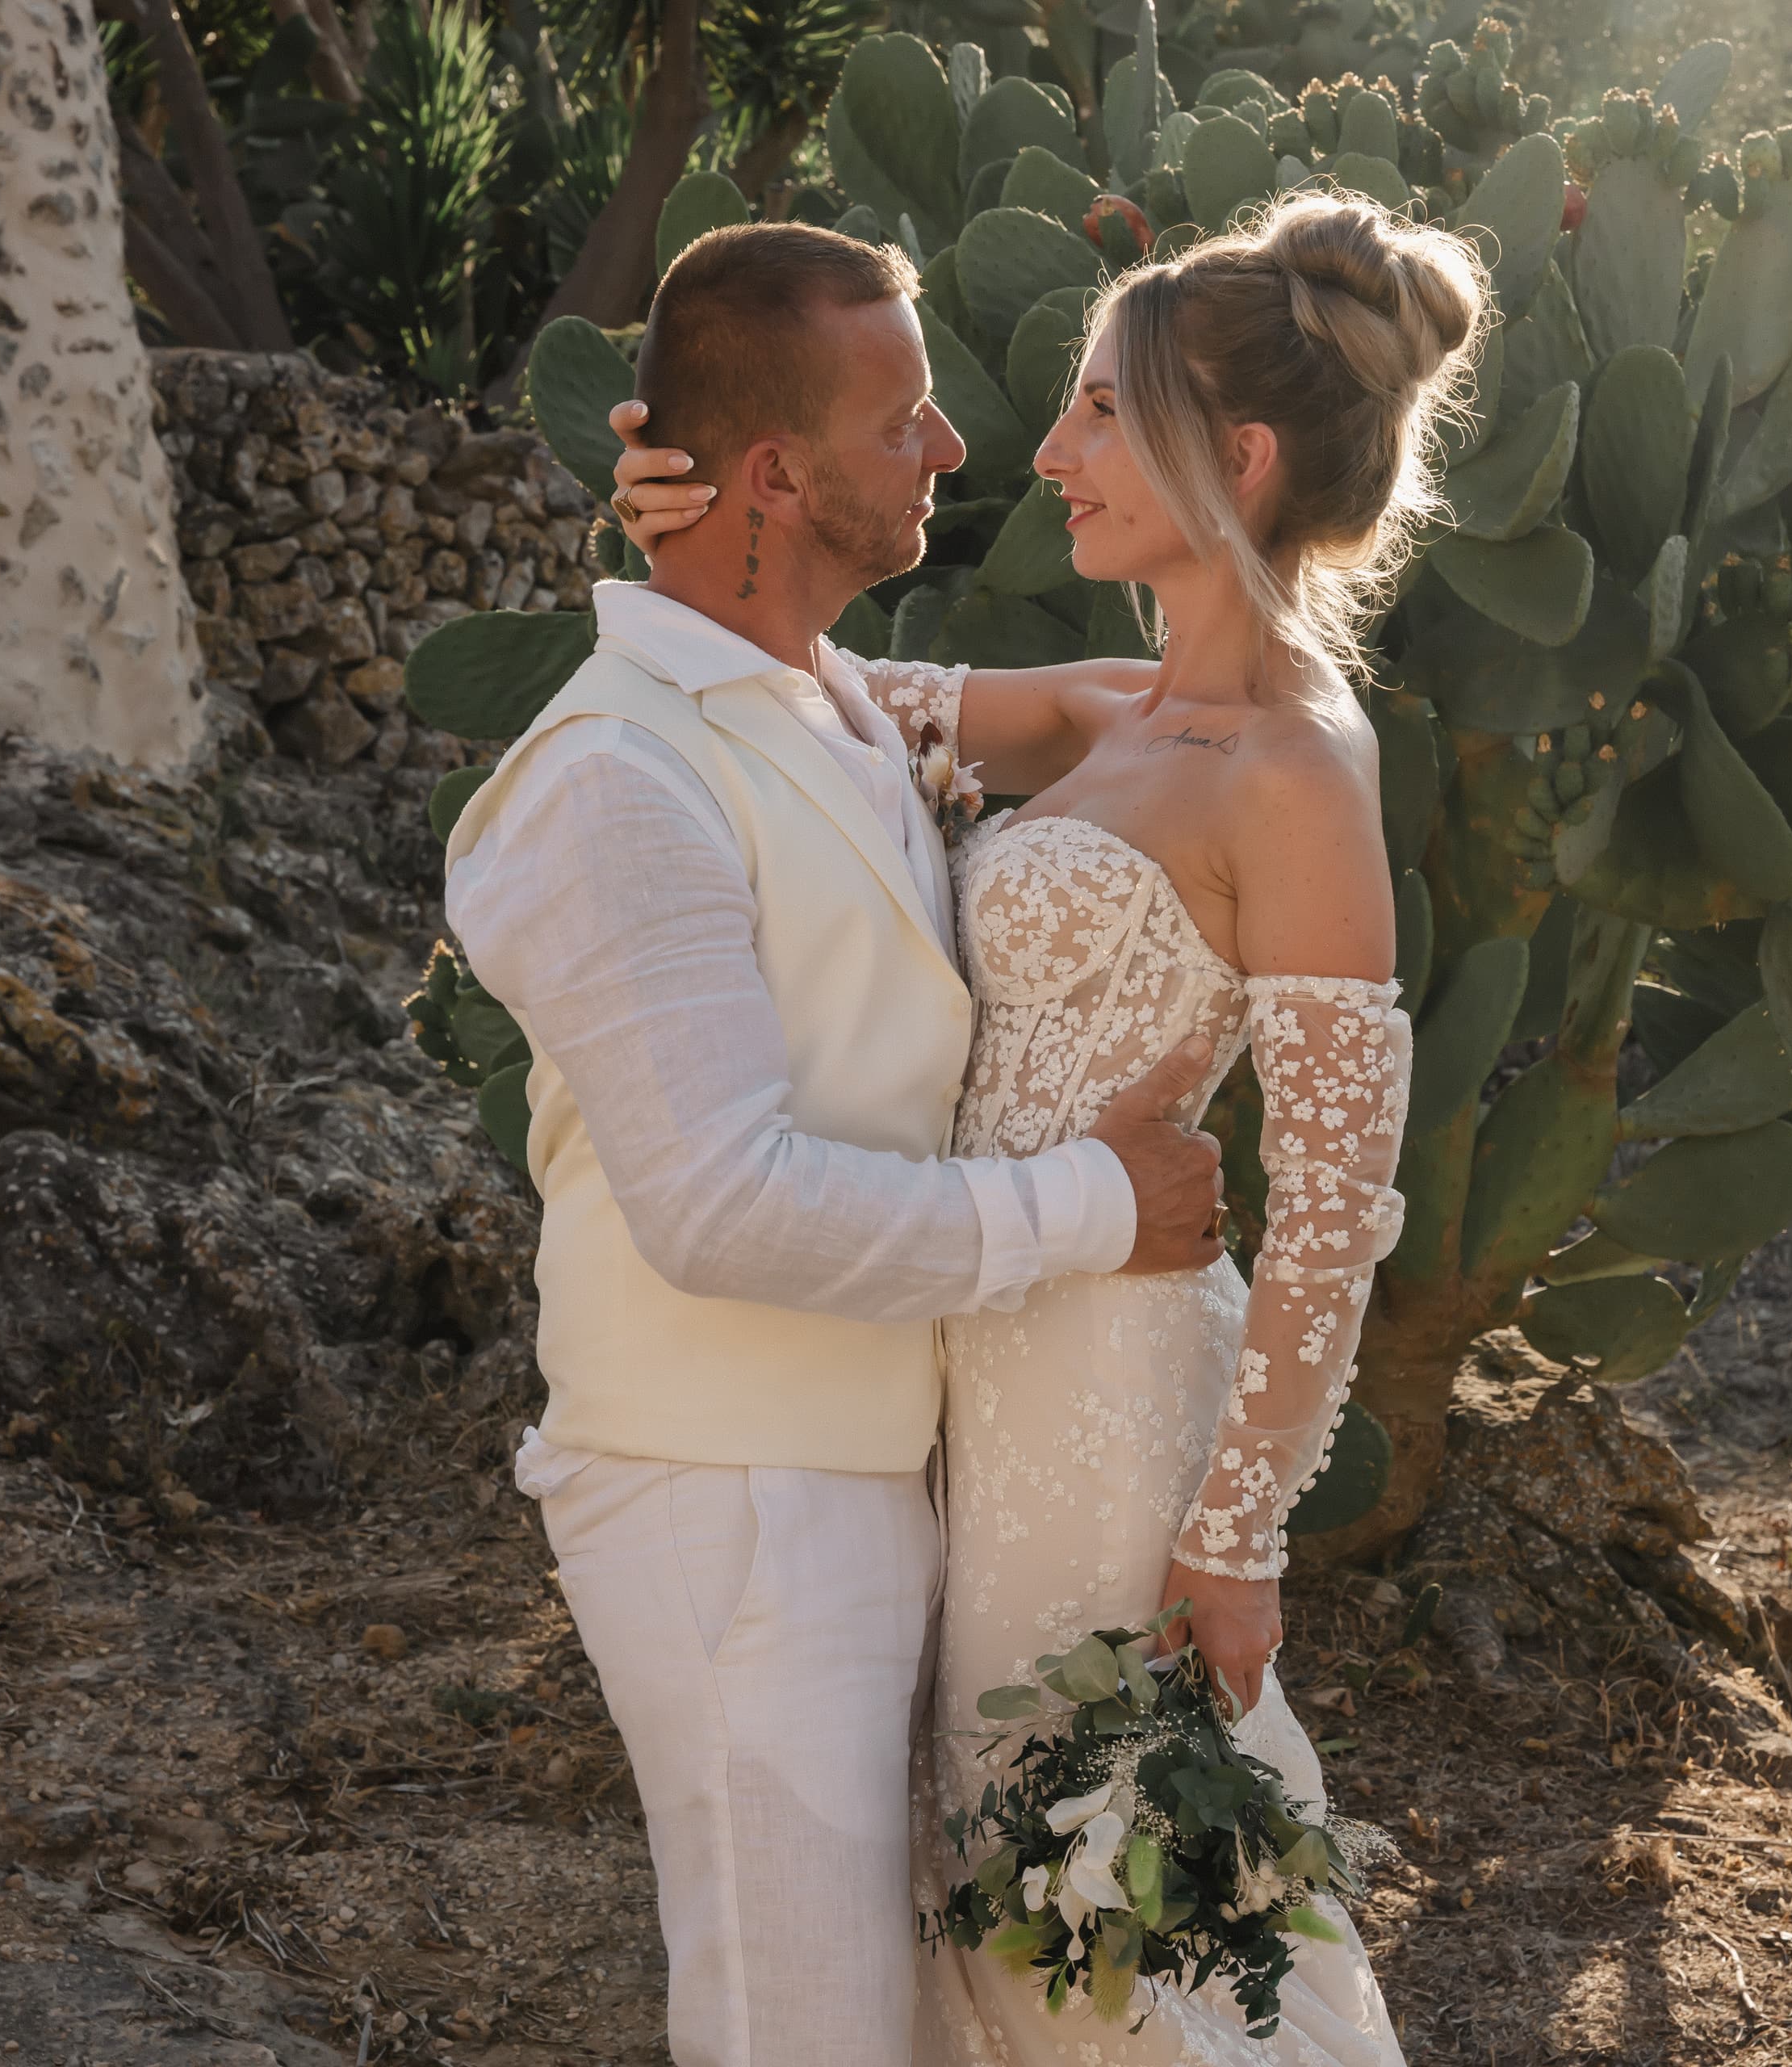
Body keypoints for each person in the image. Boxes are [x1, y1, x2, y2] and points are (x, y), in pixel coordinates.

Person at [609, 187, 1485, 2065]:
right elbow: (807, 696)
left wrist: (1237, 1535)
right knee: (995, 1875)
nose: (1051, 450)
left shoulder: (1301, 772)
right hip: (959, 1370)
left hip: (1111, 1396)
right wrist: (695, 506)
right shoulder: (1113, 712)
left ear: (1234, 457)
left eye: (1099, 410)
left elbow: (1335, 1202)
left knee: (1114, 1896)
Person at [439, 220, 1237, 2067]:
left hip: (858, 1468)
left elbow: (1151, 716)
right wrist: (1097, 1204)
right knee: (797, 2024)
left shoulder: (824, 696)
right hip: (722, 1493)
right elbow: (724, 1204)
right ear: (784, 472)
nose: (956, 450)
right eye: (908, 417)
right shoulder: (619, 776)